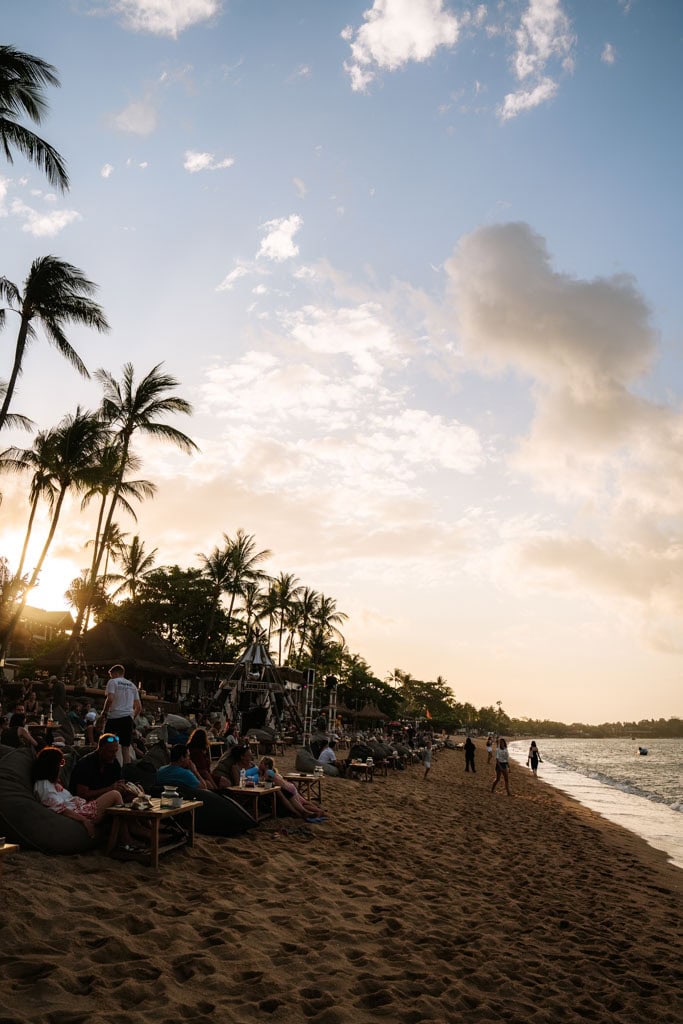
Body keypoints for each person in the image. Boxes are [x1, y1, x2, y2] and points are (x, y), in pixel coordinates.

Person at [32, 745, 123, 840]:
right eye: (60, 764)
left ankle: (129, 834)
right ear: (52, 766)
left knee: (121, 803)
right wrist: (84, 820)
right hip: (81, 813)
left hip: (83, 807)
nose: (61, 768)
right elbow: (59, 808)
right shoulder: (44, 786)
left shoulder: (50, 783)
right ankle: (125, 838)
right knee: (114, 794)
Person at [258, 757, 327, 821]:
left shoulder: (267, 772)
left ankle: (310, 812)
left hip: (287, 789)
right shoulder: (273, 772)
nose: (259, 764)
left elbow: (266, 782)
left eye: (261, 763)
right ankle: (319, 810)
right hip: (291, 787)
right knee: (303, 802)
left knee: (300, 804)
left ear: (266, 766)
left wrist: (260, 775)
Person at [69, 733, 128, 801]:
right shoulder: (85, 764)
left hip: (105, 800)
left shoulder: (113, 762)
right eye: (111, 752)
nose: (114, 755)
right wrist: (109, 789)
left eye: (116, 751)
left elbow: (118, 783)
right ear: (101, 749)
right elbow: (82, 794)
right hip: (83, 803)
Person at [101, 664, 141, 764]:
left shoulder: (113, 682)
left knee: (105, 744)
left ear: (116, 673)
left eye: (111, 675)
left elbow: (110, 698)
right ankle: (126, 772)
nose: (110, 677)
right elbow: (139, 707)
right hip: (127, 719)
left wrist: (104, 712)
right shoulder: (132, 685)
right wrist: (132, 717)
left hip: (114, 718)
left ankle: (104, 766)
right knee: (125, 748)